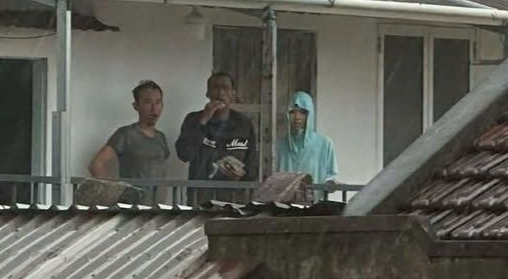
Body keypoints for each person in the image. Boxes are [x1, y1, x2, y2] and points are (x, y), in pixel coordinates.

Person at [176, 71, 258, 200]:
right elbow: (184, 154)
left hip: (234, 200)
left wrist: (240, 175)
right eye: (215, 88)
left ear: (232, 94)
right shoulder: (193, 119)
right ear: (207, 93)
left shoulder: (244, 124)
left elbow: (252, 167)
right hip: (201, 198)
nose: (220, 93)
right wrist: (204, 120)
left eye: (225, 88)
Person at [88, 81, 171, 199]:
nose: (154, 108)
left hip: (156, 208)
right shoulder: (125, 134)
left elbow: (163, 173)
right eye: (147, 102)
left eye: (158, 102)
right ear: (136, 106)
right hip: (132, 208)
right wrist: (112, 192)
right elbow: (96, 164)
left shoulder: (161, 138)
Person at [275, 90, 337, 187]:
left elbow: (330, 176)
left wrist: (330, 183)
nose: (297, 117)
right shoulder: (279, 146)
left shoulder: (325, 144)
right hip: (283, 201)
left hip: (315, 200)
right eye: (292, 112)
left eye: (302, 112)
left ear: (310, 114)